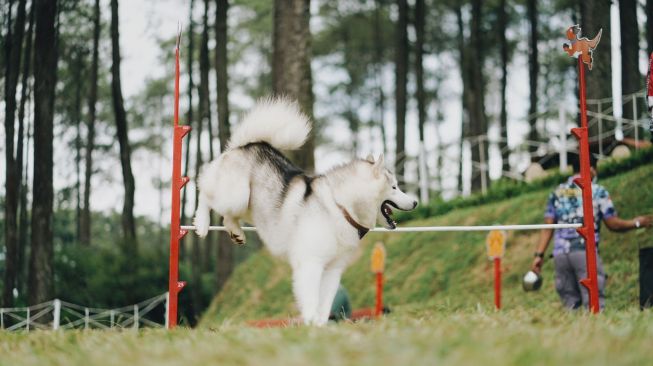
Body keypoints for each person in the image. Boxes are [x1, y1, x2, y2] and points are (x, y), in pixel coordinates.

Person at [531, 156, 653, 310]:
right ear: (590, 169)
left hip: (560, 256)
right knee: (594, 303)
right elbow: (613, 224)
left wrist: (539, 255)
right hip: (585, 253)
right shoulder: (597, 191)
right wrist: (637, 222)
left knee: (570, 305)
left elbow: (547, 227)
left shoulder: (557, 192)